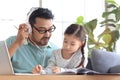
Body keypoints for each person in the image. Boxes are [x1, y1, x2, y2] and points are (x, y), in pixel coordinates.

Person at [6, 7, 58, 73]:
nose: (47, 35)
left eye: (50, 29)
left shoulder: (56, 51)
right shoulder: (11, 42)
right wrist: (17, 43)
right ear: (30, 28)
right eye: (42, 30)